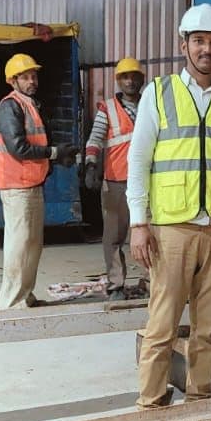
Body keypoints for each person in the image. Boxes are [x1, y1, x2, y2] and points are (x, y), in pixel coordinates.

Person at [127, 4, 211, 409]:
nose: (207, 49)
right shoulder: (159, 92)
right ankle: (151, 402)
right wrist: (139, 222)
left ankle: (199, 399)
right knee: (162, 323)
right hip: (173, 227)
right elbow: (139, 159)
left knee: (208, 326)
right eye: (199, 41)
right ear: (183, 44)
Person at [0, 53, 75, 309]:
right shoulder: (10, 106)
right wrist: (53, 153)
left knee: (32, 245)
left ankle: (25, 295)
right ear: (13, 80)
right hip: (16, 186)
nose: (32, 81)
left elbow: (35, 141)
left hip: (31, 184)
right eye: (26, 77)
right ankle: (10, 303)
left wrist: (54, 157)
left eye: (34, 76)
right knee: (19, 246)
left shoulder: (29, 104)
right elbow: (18, 147)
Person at [83, 57, 145, 300]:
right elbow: (95, 139)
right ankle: (116, 285)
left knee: (148, 234)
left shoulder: (151, 105)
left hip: (146, 182)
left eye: (134, 76)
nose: (130, 81)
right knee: (114, 237)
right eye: (125, 77)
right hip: (116, 181)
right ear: (118, 81)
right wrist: (90, 165)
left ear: (142, 79)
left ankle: (151, 282)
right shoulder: (107, 109)